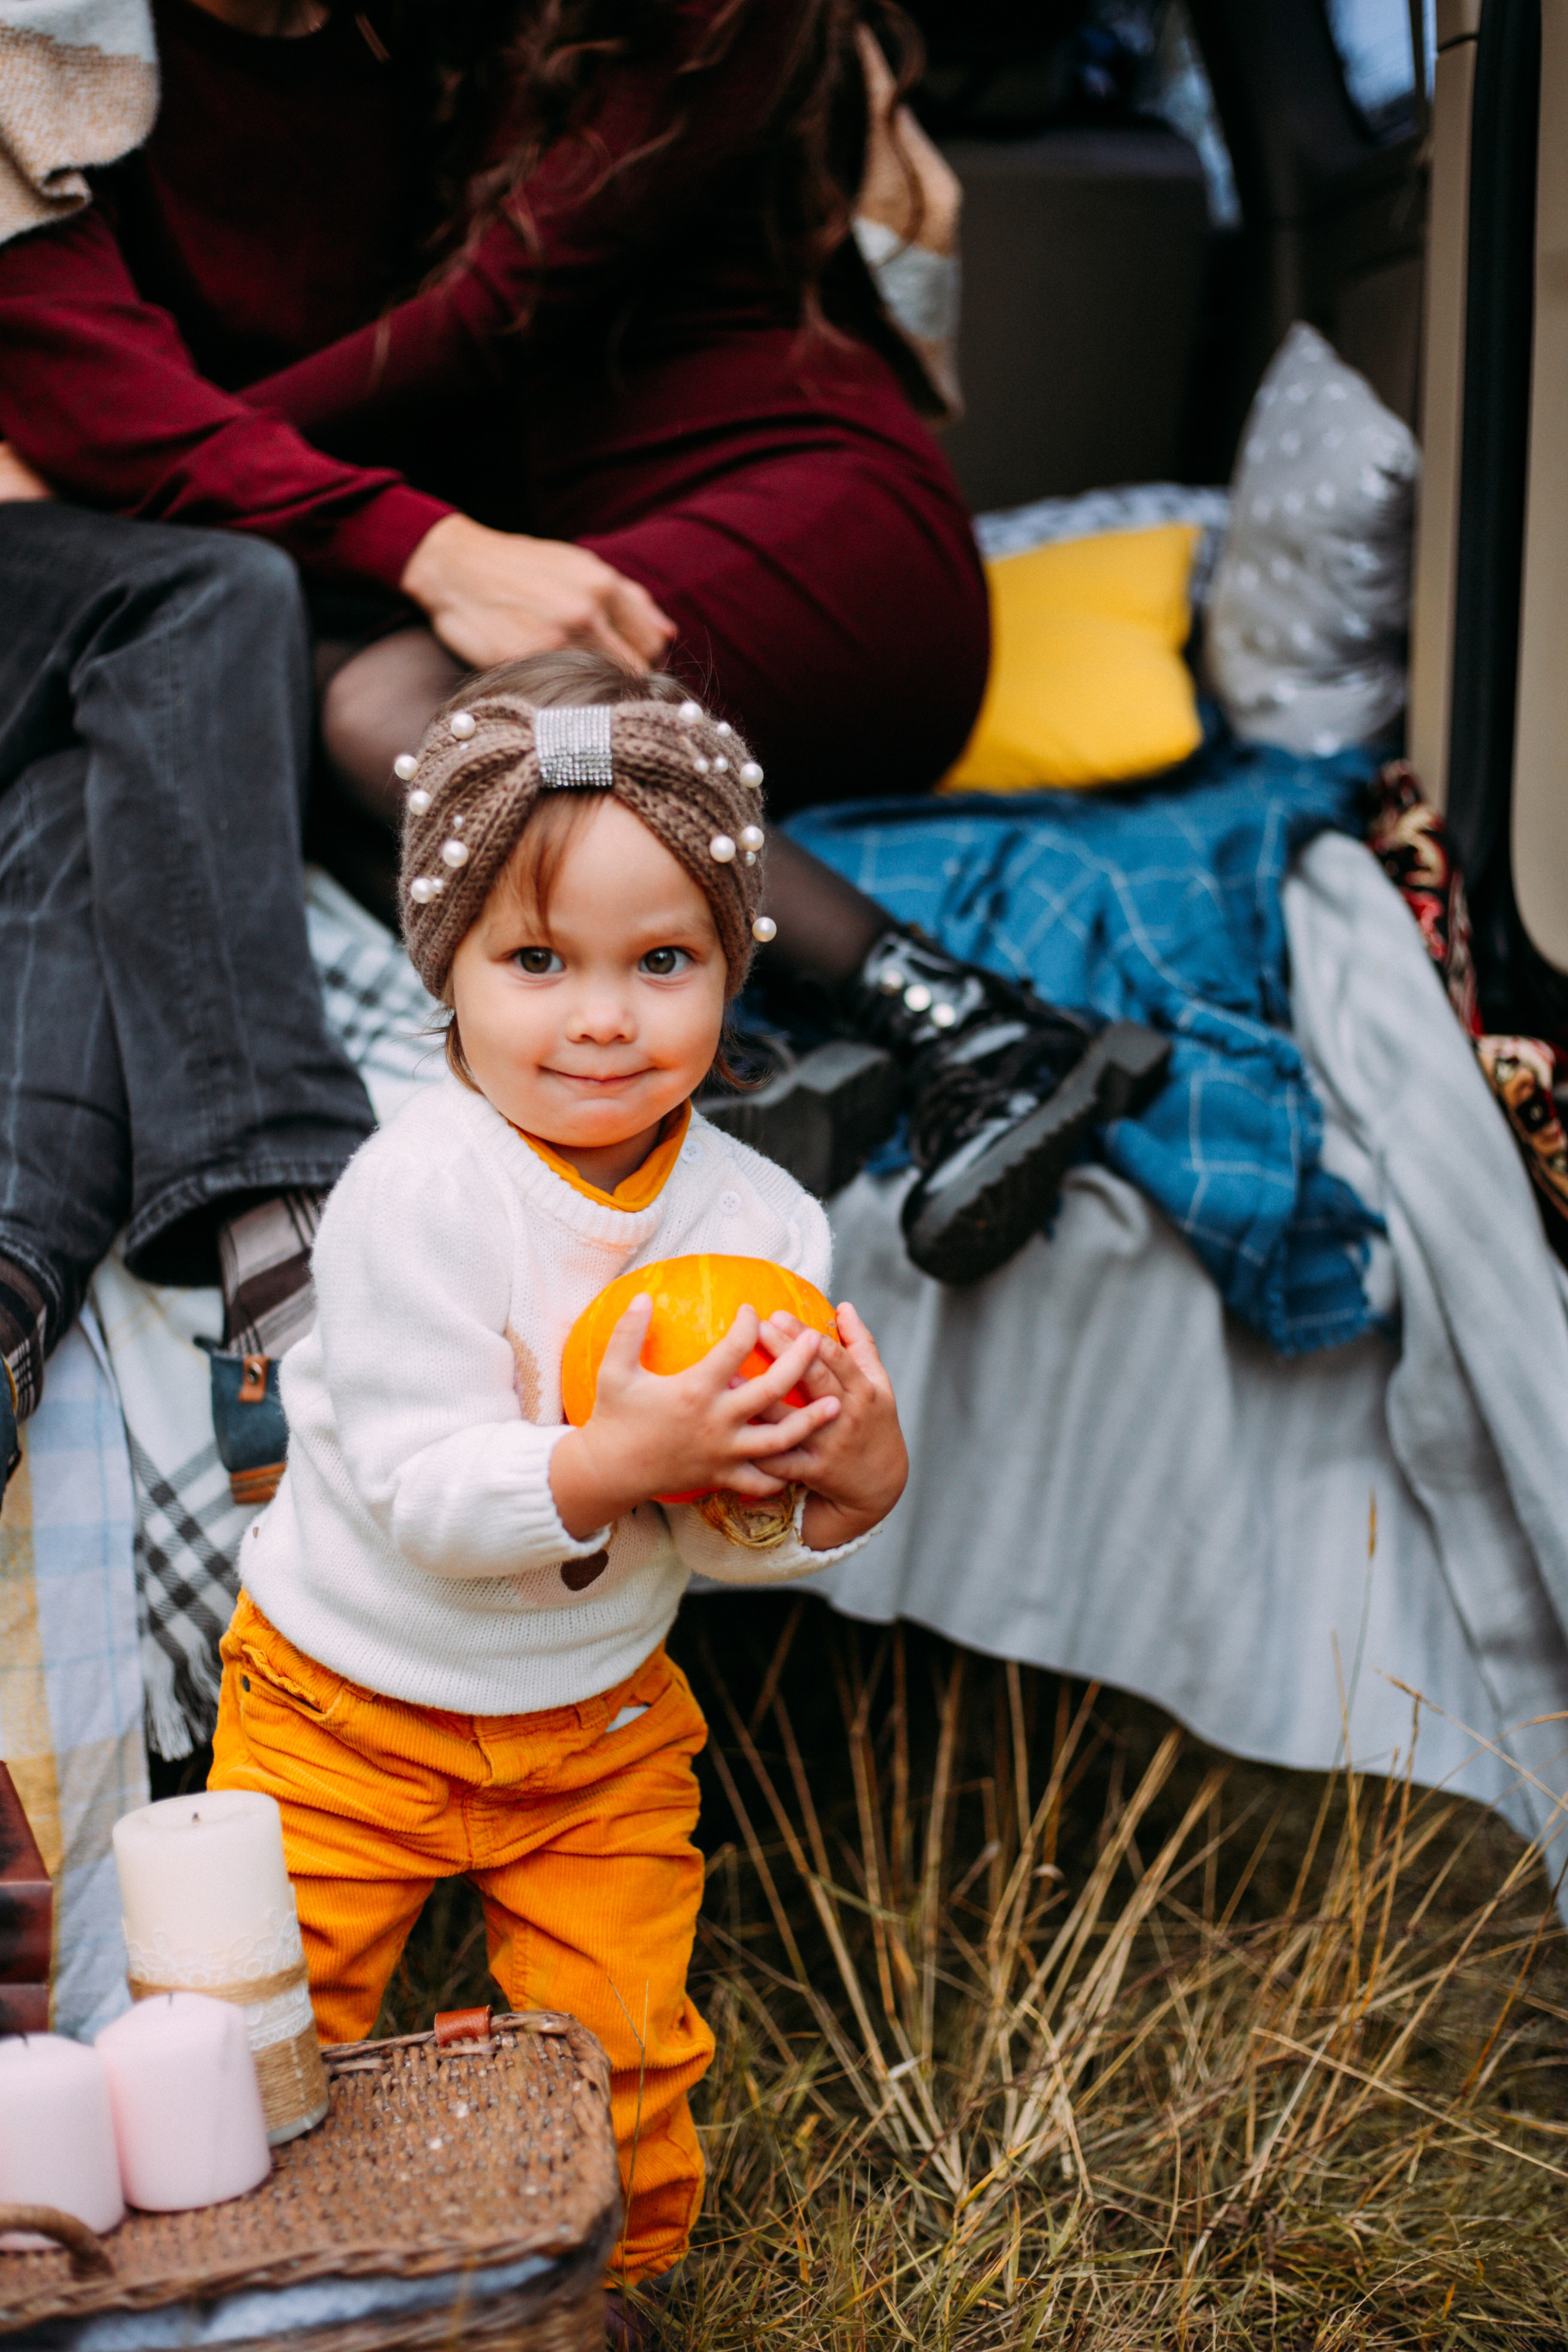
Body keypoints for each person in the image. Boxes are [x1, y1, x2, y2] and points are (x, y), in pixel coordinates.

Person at [0, 0, 1168, 1396]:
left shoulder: (710, 21)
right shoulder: (405, 42)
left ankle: (960, 1017)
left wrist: (122, 458)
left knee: (364, 702)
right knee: (298, 704)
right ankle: (776, 1050)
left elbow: (488, 318)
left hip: (804, 512)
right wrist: (164, 465)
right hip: (589, 548)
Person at [206, 653, 910, 2301]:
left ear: (733, 971)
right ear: (447, 972)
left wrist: (840, 1487)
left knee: (631, 2052)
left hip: (590, 1724)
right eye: (538, 960)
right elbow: (423, 1492)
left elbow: (726, 1531)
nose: (602, 1015)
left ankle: (614, 2294)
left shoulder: (761, 1229)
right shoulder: (412, 1194)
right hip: (342, 1704)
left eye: (663, 961)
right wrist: (615, 1459)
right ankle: (240, 2286)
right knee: (246, 2041)